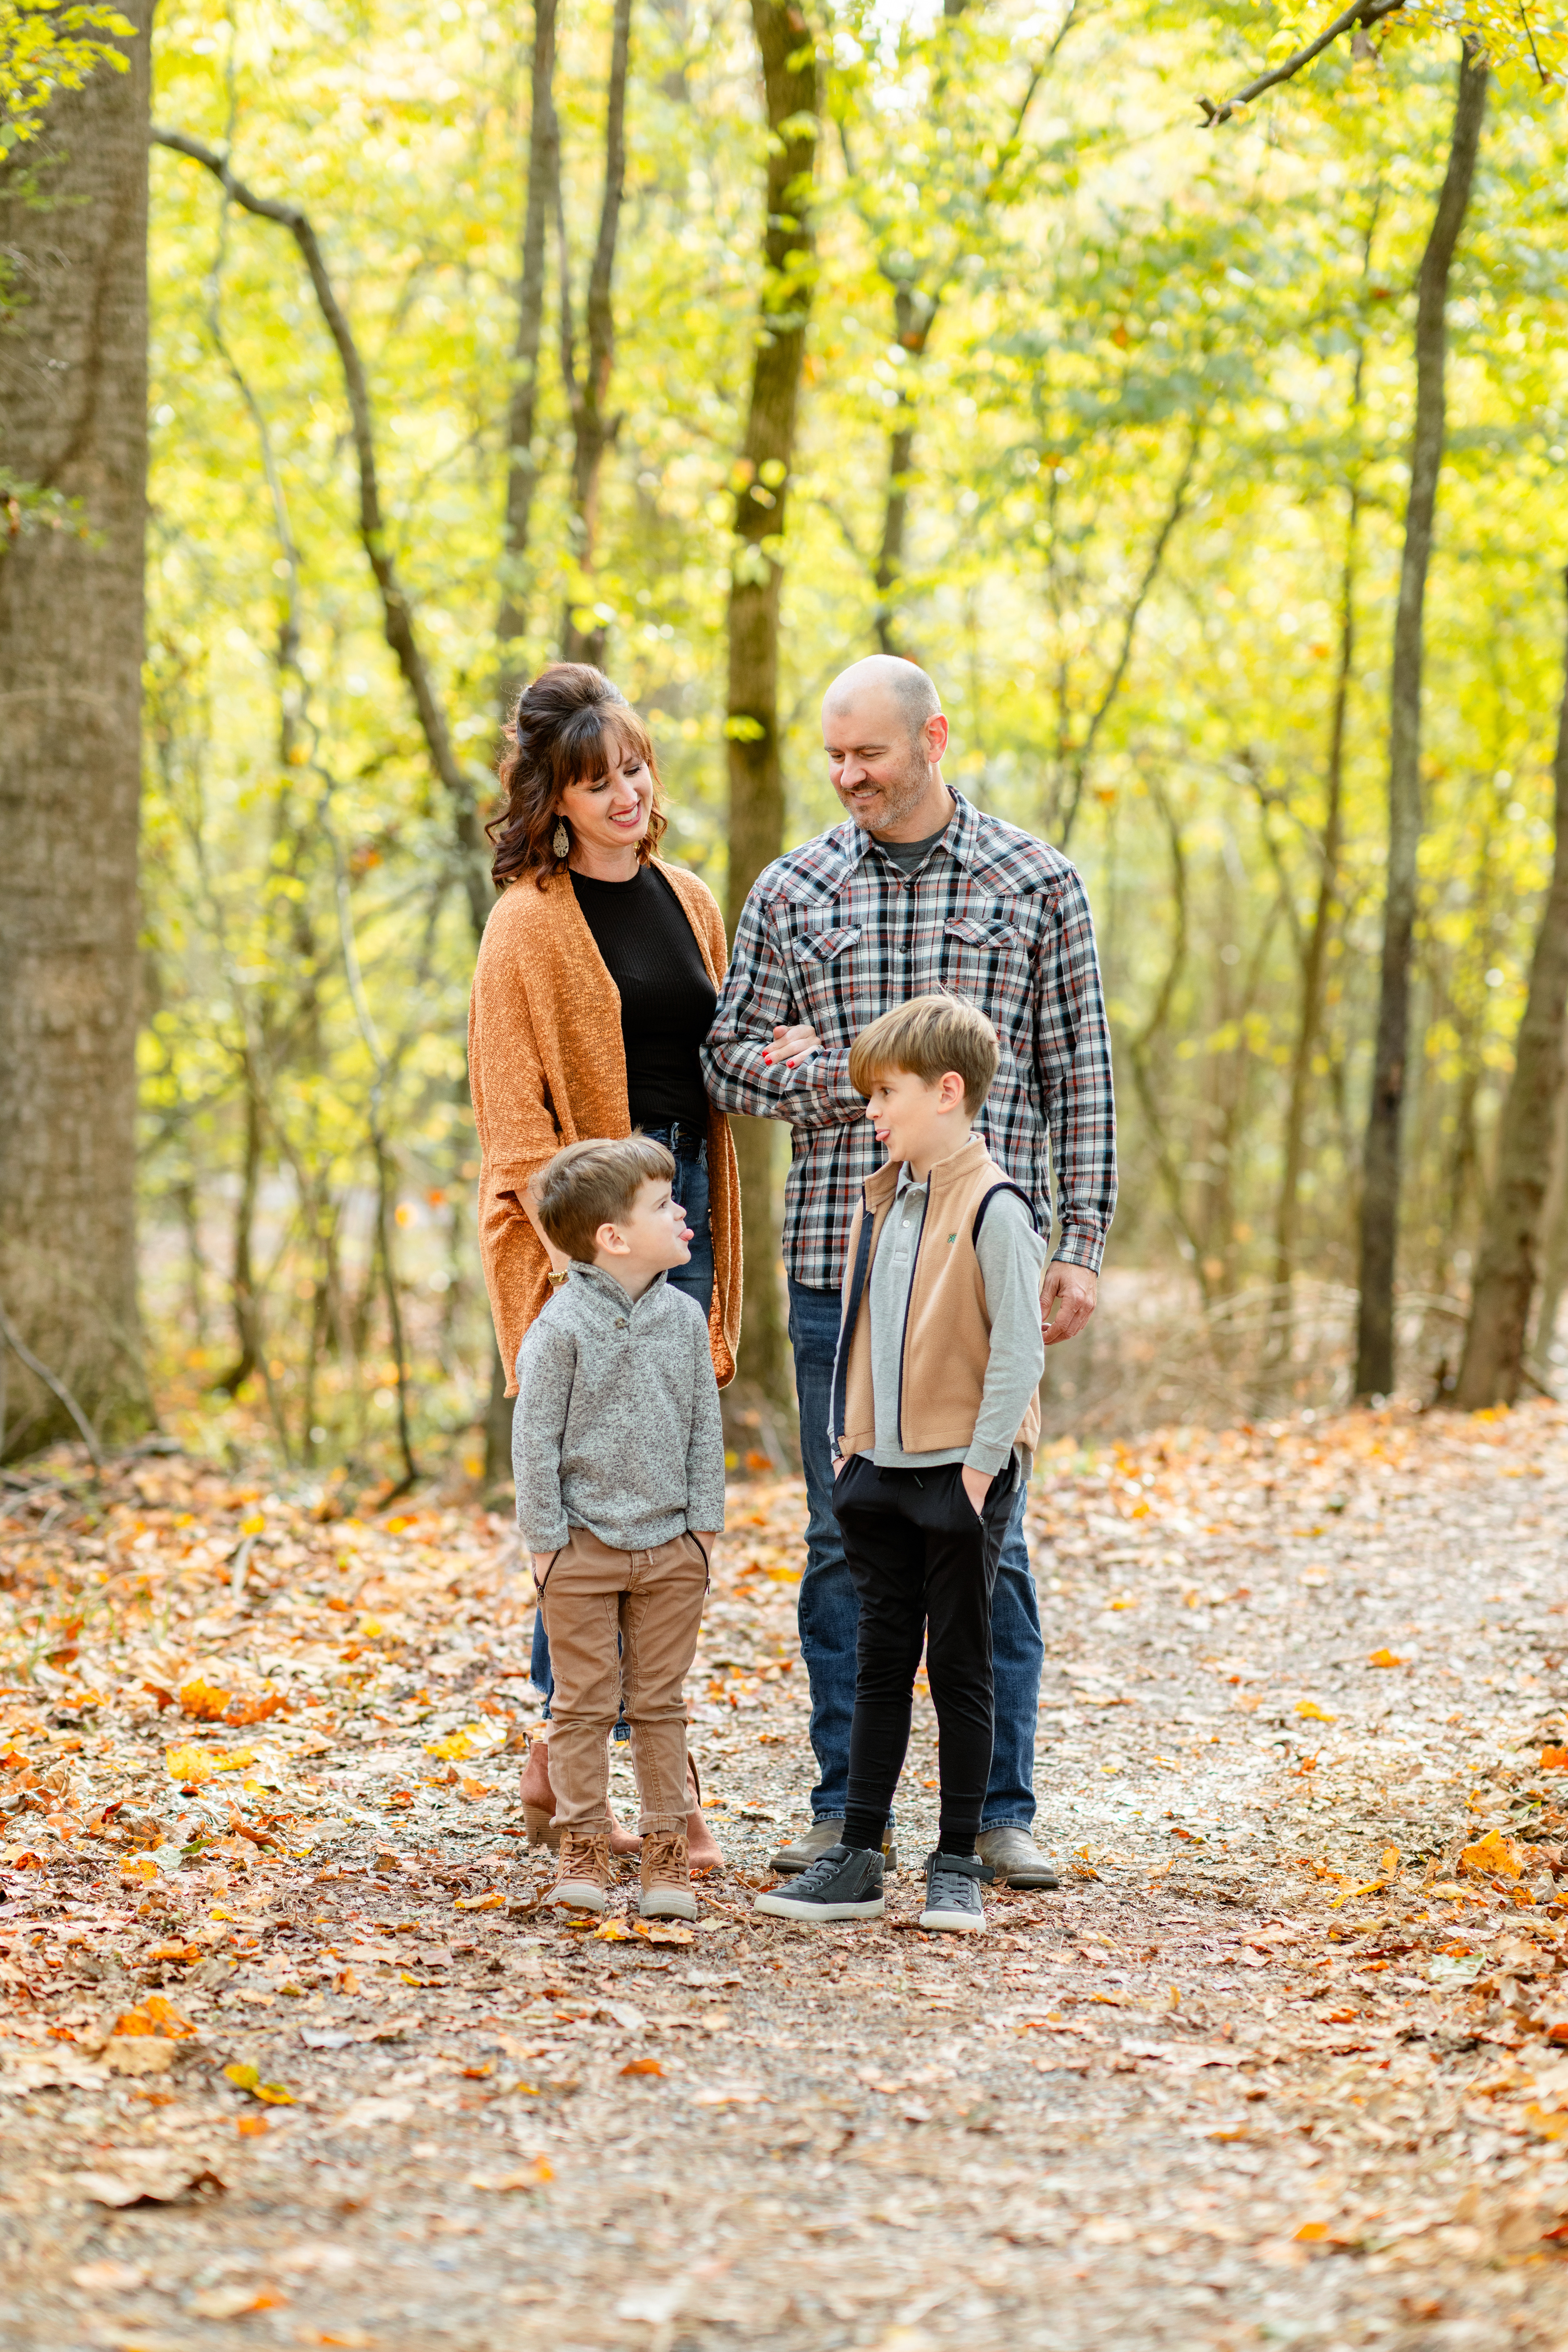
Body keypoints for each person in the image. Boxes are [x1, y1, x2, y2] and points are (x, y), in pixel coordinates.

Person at [702, 655, 1116, 1889]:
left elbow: (1079, 1072)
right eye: (833, 757)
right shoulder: (793, 888)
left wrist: (1081, 1242)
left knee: (990, 1534)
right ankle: (848, 1812)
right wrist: (843, 1078)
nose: (848, 777)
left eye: (868, 754)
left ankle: (997, 1813)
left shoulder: (1036, 883)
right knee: (845, 1540)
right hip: (840, 1267)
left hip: (986, 1273)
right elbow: (728, 1059)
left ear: (933, 739)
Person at [469, 663, 739, 1866]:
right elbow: (513, 1124)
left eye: (635, 769)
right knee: (589, 1484)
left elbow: (718, 1061)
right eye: (597, 783)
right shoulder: (528, 921)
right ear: (557, 803)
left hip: (683, 1211)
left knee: (660, 1485)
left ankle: (575, 1756)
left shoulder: (691, 898)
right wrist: (588, 1251)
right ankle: (592, 1755)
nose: (627, 795)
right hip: (583, 1230)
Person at [755, 996, 1045, 1933]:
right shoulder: (881, 1200)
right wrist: (846, 1446)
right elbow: (858, 1331)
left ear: (947, 1092)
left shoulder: (996, 1207)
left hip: (961, 1473)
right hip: (876, 1467)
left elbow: (1019, 1353)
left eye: (886, 1093)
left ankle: (956, 1863)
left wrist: (979, 1472)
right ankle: (857, 1858)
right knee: (881, 1661)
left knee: (960, 1664)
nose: (872, 1110)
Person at [515, 1137, 726, 1920]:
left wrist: (703, 1533)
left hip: (672, 1551)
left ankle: (666, 1857)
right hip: (582, 1550)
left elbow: (705, 1429)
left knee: (660, 1705)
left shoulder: (684, 1318)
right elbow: (534, 1445)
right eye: (664, 1206)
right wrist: (547, 1549)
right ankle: (583, 1848)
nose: (683, 1214)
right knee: (582, 1705)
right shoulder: (560, 1327)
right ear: (613, 1237)